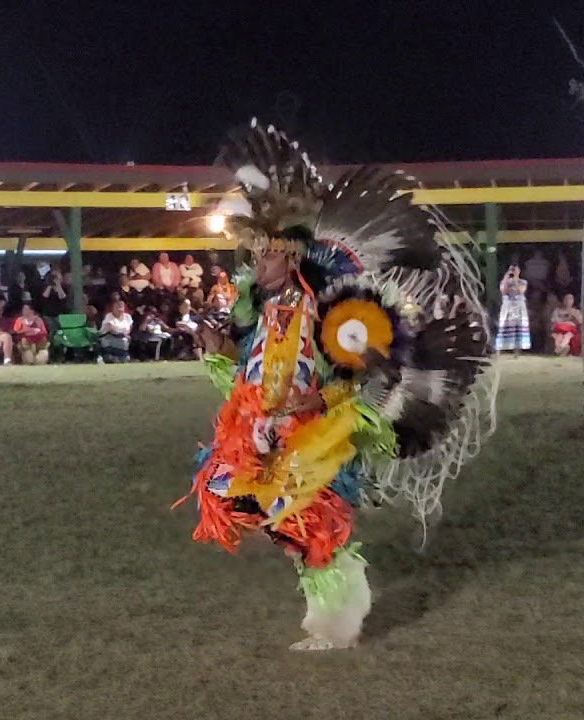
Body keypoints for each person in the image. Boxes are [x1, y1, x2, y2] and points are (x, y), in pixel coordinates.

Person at [176, 123, 496, 653]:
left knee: (310, 524)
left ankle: (337, 622)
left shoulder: (331, 313)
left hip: (316, 434)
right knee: (228, 494)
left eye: (267, 255)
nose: (258, 264)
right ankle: (325, 608)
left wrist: (316, 400)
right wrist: (219, 350)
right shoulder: (264, 311)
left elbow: (367, 374)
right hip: (260, 430)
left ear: (292, 256)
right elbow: (251, 375)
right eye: (255, 255)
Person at [496, 265, 530, 356]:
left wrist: (515, 279)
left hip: (519, 307)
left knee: (518, 328)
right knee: (504, 326)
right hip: (508, 306)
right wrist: (507, 276)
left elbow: (521, 290)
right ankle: (500, 349)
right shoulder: (506, 281)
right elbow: (503, 290)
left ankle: (517, 351)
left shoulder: (523, 282)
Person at [549, 293, 583, 357]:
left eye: (570, 299)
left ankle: (560, 348)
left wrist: (575, 315)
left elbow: (581, 322)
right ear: (563, 300)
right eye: (567, 299)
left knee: (568, 334)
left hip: (571, 331)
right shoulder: (557, 310)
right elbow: (555, 321)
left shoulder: (575, 311)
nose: (568, 301)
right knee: (560, 335)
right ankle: (563, 348)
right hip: (560, 329)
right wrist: (566, 323)